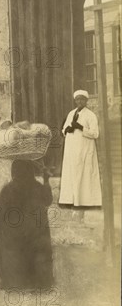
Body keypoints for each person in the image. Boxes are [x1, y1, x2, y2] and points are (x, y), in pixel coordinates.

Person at [0, 159, 54, 290]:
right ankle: (38, 282)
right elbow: (48, 201)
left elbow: (0, 215)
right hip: (34, 234)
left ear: (14, 171)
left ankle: (12, 281)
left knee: (12, 249)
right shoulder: (37, 187)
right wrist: (46, 180)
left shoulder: (7, 189)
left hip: (14, 234)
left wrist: (1, 232)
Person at [59, 90, 102, 220]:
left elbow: (95, 134)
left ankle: (86, 202)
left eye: (82, 99)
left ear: (86, 101)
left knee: (84, 175)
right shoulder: (71, 113)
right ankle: (71, 200)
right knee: (72, 174)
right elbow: (64, 128)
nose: (79, 102)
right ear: (75, 101)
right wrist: (66, 130)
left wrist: (81, 128)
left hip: (84, 150)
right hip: (71, 151)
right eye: (77, 99)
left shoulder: (90, 115)